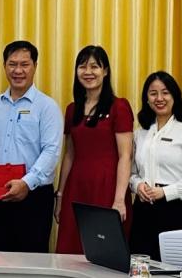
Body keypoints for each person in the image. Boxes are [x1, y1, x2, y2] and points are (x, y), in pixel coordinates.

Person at [0, 40, 63, 253]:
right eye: (12, 64)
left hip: (34, 195)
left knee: (31, 259)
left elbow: (51, 151)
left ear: (35, 66)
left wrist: (26, 183)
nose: (18, 70)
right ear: (4, 66)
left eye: (24, 64)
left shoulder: (47, 106)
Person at [55, 45, 134, 254]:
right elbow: (69, 155)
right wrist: (60, 195)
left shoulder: (119, 106)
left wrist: (119, 199)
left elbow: (125, 156)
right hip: (76, 187)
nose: (88, 72)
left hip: (107, 187)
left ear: (105, 71)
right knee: (70, 248)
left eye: (94, 66)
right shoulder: (72, 109)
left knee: (105, 251)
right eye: (82, 66)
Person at [129, 71, 182, 261]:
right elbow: (131, 172)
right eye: (153, 93)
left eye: (165, 92)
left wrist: (165, 192)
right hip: (144, 210)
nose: (159, 98)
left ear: (174, 96)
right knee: (141, 266)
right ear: (146, 99)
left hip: (178, 211)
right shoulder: (140, 134)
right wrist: (138, 185)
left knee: (174, 267)